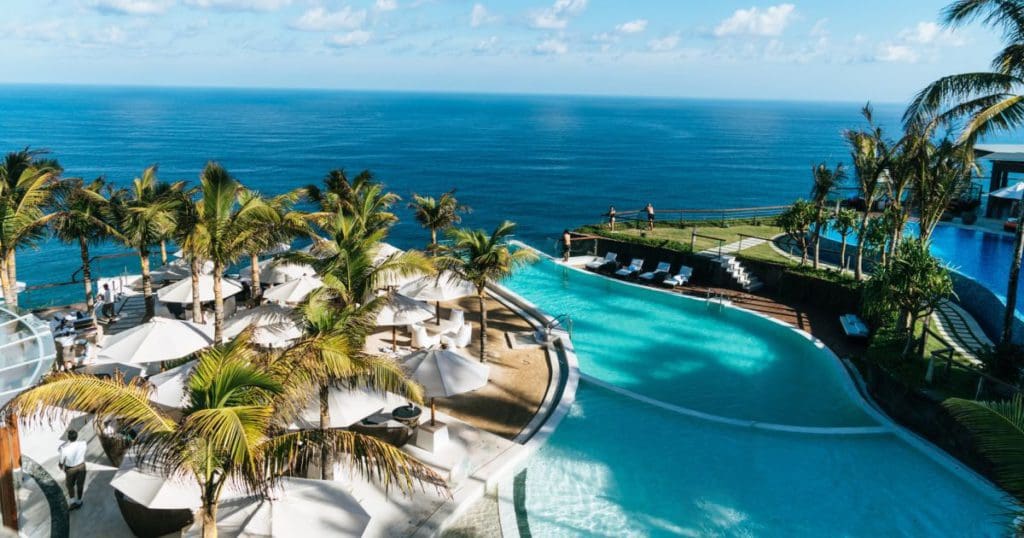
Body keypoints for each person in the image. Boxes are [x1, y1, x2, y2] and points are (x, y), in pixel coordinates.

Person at [58, 429, 87, 510]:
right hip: (81, 467)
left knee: (70, 486)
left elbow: (61, 461)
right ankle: (80, 501)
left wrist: (61, 467)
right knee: (80, 485)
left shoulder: (64, 449)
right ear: (77, 436)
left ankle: (72, 502)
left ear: (68, 438)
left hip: (70, 469)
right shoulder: (83, 444)